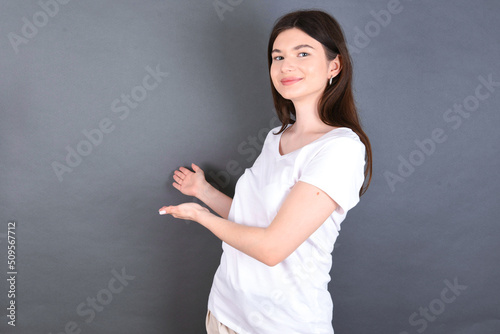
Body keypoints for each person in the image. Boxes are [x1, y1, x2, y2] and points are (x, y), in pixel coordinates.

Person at [159, 9, 373, 334]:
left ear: (335, 65)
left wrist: (201, 216)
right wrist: (204, 192)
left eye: (303, 53)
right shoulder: (277, 137)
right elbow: (251, 220)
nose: (286, 66)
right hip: (225, 312)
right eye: (277, 56)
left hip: (281, 325)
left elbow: (271, 248)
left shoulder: (340, 150)